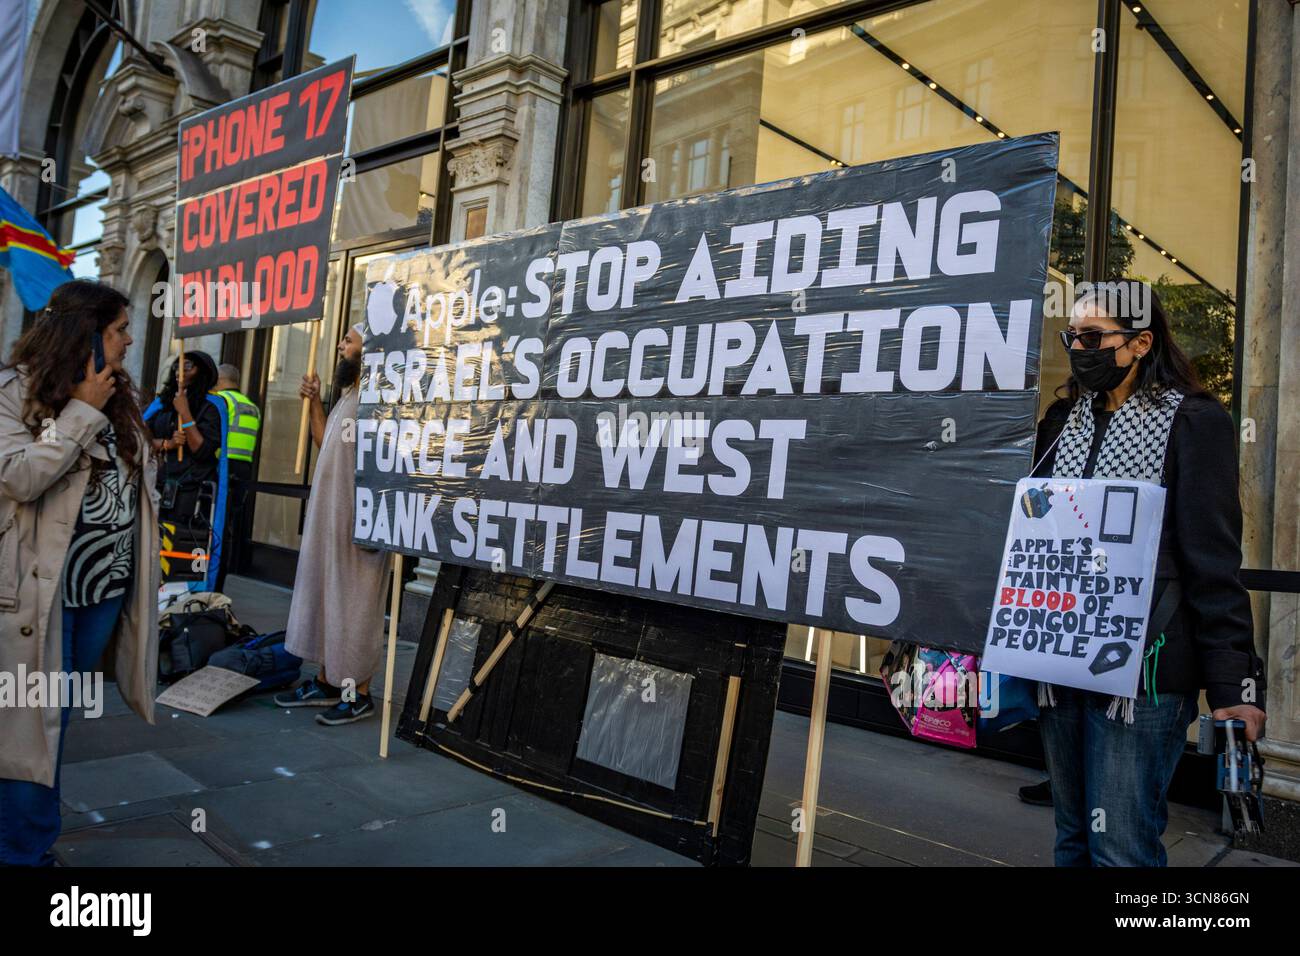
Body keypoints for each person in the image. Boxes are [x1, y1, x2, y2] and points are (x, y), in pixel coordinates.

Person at [1032, 286, 1266, 867]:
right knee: (1073, 836)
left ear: (1141, 343)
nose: (1078, 349)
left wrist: (1232, 685)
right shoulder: (1062, 421)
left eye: (1093, 337)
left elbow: (1213, 561)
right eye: (1072, 337)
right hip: (1061, 651)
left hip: (1147, 667)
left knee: (1120, 846)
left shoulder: (1194, 422)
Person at [0, 280, 160, 866]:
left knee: (56, 716)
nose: (129, 340)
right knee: (31, 721)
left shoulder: (117, 394)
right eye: (119, 330)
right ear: (84, 334)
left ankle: (27, 837)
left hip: (103, 590)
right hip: (39, 592)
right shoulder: (14, 392)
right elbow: (19, 477)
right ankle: (23, 852)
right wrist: (81, 411)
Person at [275, 325, 388, 725]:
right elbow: (326, 443)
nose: (340, 345)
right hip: (330, 518)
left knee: (355, 605)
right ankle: (326, 682)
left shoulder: (378, 399)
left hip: (357, 524)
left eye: (349, 340)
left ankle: (358, 693)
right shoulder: (348, 397)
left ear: (368, 350)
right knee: (328, 599)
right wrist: (314, 403)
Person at [144, 351, 222, 584]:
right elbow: (140, 439)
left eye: (188, 366)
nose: (180, 370)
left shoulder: (211, 407)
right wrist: (166, 443)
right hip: (161, 487)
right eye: (177, 365)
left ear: (202, 372)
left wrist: (185, 413)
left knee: (185, 551)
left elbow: (202, 449)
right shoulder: (161, 405)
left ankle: (189, 591)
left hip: (192, 493)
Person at [211, 363, 260, 592]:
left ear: (219, 380)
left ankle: (212, 580)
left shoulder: (222, 401)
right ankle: (221, 579)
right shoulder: (252, 407)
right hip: (243, 471)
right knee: (228, 527)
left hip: (222, 469)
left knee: (215, 527)